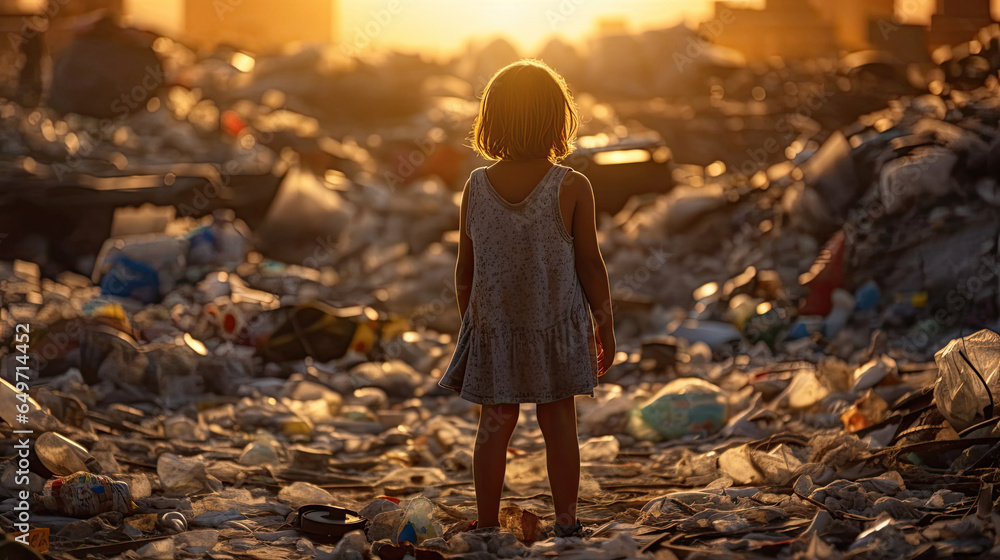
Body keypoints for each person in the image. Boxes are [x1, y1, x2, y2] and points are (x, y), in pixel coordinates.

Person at [437, 59, 616, 538]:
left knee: (494, 423)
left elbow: (464, 268)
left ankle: (489, 523)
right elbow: (591, 265)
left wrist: (471, 325)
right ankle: (566, 522)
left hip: (496, 329)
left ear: (491, 120)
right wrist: (605, 326)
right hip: (555, 326)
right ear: (559, 119)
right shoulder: (573, 186)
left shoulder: (476, 187)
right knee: (559, 421)